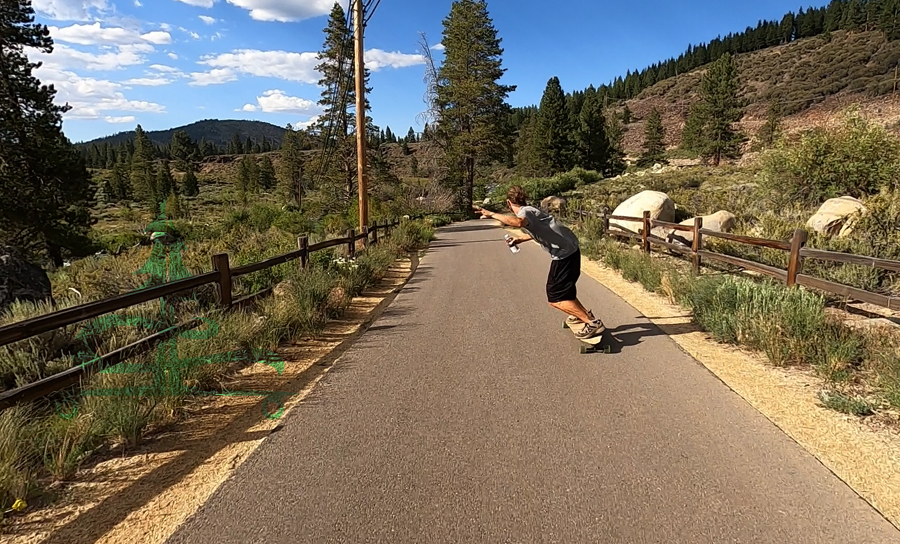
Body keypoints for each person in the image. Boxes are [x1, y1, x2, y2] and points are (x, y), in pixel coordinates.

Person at [475, 185, 606, 339]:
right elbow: (543, 231)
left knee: (555, 298)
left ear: (508, 203)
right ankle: (583, 315)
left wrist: (491, 214)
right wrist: (520, 238)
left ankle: (592, 323)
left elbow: (517, 222)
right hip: (571, 250)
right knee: (565, 291)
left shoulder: (524, 213)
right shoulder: (532, 210)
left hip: (564, 255)